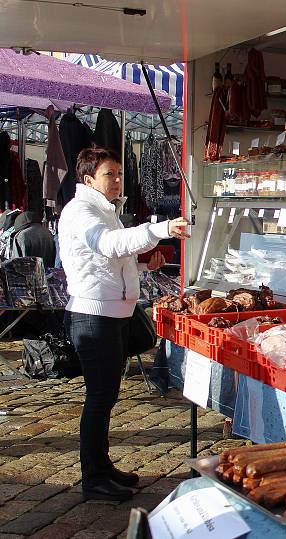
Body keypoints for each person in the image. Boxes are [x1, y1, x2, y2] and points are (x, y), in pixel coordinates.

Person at [59, 146, 189, 502]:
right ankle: (94, 479)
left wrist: (146, 267)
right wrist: (160, 228)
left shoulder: (104, 210)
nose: (117, 180)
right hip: (93, 317)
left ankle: (102, 468)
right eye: (109, 175)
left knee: (107, 395)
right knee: (99, 398)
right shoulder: (81, 211)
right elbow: (107, 245)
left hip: (111, 314)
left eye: (119, 174)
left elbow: (107, 263)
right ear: (88, 179)